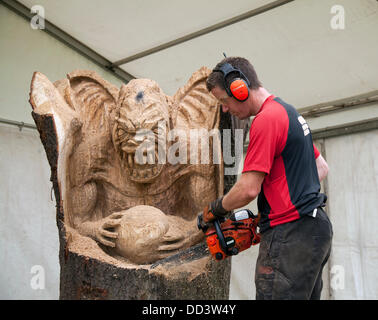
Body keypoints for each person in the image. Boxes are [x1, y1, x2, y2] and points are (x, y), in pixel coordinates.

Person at [199, 56, 333, 300]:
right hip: (315, 231)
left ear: (239, 88)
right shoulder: (287, 112)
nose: (225, 109)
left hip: (291, 236)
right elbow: (321, 167)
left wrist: (215, 209)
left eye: (223, 101)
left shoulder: (265, 120)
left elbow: (248, 189)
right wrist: (273, 212)